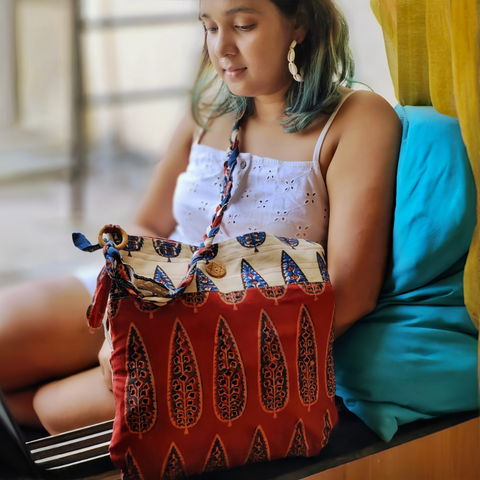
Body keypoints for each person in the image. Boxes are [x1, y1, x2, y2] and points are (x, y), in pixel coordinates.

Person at [0, 0, 401, 435]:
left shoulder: (357, 119)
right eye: (209, 27)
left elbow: (350, 293)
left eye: (243, 25)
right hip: (146, 286)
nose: (221, 47)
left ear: (299, 23)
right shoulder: (210, 107)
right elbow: (148, 227)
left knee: (46, 407)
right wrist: (122, 312)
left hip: (233, 330)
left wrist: (198, 348)